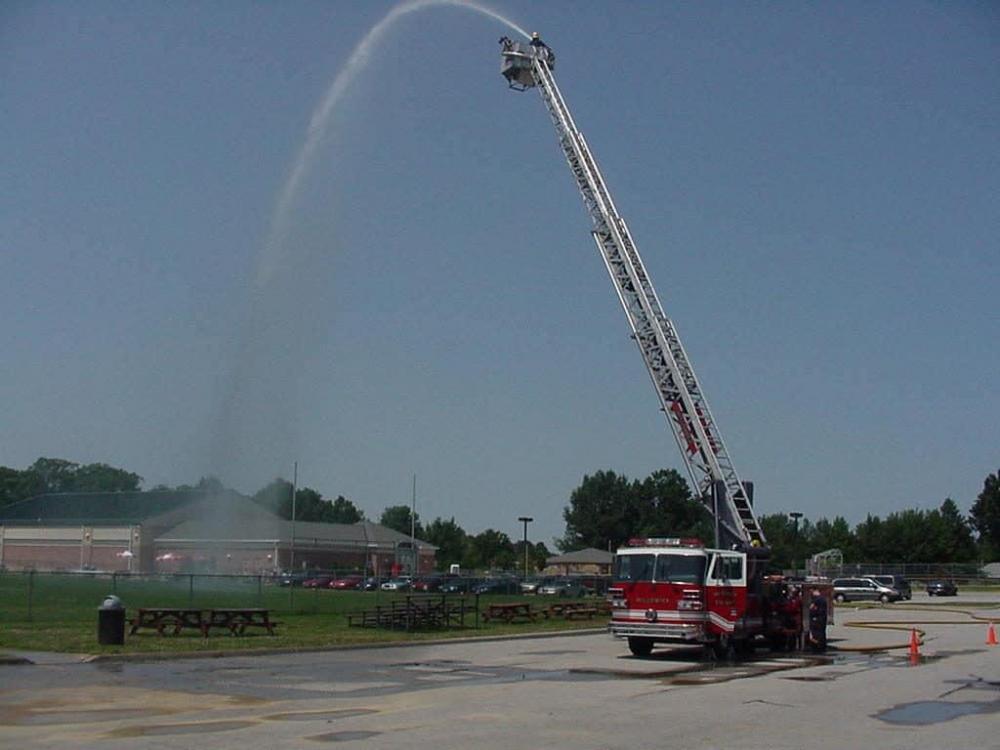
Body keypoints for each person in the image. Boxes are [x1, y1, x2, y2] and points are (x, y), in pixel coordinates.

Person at [808, 587, 828, 653]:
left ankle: (817, 648)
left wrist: (814, 613)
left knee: (816, 635)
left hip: (817, 621)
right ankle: (821, 648)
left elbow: (813, 609)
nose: (811, 593)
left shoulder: (817, 600)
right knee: (821, 634)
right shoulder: (822, 599)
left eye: (811, 591)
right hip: (821, 620)